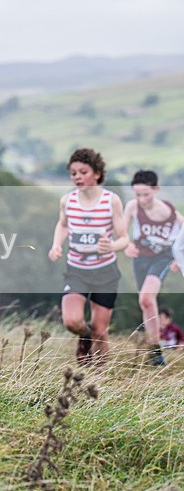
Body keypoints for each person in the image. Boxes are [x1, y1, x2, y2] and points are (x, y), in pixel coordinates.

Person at [48, 148, 129, 366]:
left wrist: (111, 246)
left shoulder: (111, 201)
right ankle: (84, 336)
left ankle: (97, 380)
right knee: (72, 321)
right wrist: (56, 245)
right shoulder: (67, 201)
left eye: (83, 172)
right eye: (73, 173)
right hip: (77, 270)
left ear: (97, 174)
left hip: (105, 272)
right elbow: (63, 225)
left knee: (101, 333)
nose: (77, 177)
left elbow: (124, 239)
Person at [123, 170, 183, 365]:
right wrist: (127, 245)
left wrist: (178, 257)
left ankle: (157, 355)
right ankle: (154, 350)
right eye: (137, 194)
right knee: (146, 303)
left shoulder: (170, 212)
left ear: (156, 190)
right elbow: (122, 232)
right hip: (140, 258)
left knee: (147, 297)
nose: (141, 199)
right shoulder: (133, 207)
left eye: (145, 194)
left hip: (162, 257)